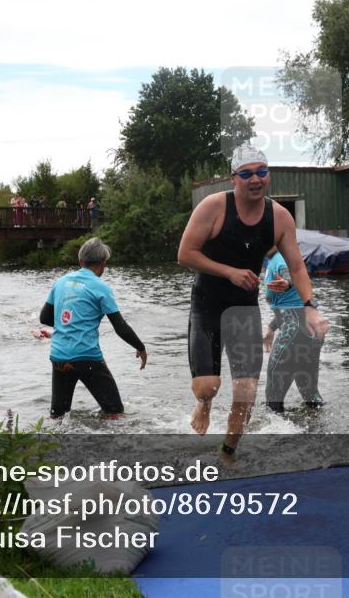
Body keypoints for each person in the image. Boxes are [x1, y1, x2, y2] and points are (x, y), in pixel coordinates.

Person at [177, 143, 329, 460]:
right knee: (208, 387)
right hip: (207, 306)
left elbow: (298, 266)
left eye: (262, 172)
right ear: (234, 179)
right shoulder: (213, 207)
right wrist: (230, 272)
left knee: (245, 393)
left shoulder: (280, 217)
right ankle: (203, 405)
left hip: (244, 310)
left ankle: (227, 454)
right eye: (247, 174)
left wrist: (310, 307)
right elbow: (185, 254)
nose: (255, 179)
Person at [39, 238, 148, 419]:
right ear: (103, 264)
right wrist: (140, 347)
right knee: (116, 414)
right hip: (86, 357)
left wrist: (67, 325)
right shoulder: (101, 287)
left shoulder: (60, 282)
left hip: (59, 356)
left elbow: (45, 318)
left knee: (58, 415)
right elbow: (120, 327)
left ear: (80, 261)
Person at [262, 248, 325, 412]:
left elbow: (291, 276)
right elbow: (294, 303)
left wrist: (288, 282)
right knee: (310, 394)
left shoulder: (281, 259)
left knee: (272, 397)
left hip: (293, 332)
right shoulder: (277, 259)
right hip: (308, 331)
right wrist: (271, 326)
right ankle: (321, 432)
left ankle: (276, 436)